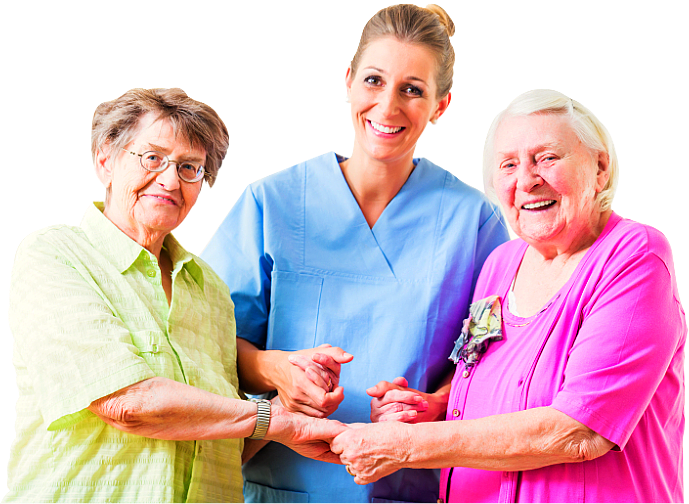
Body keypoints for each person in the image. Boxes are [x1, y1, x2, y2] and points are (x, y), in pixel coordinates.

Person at [200, 5, 509, 503]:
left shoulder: (475, 222)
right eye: (373, 80)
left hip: (405, 483)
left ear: (441, 106)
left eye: (413, 90)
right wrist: (275, 369)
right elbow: (204, 339)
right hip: (282, 482)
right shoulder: (272, 203)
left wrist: (436, 403)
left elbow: (497, 353)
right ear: (347, 81)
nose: (388, 107)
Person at [330, 88, 686, 503]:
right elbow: (473, 364)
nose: (527, 180)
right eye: (509, 164)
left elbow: (580, 431)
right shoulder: (501, 264)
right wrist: (433, 405)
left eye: (547, 158)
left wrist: (406, 446)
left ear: (600, 168)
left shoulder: (634, 256)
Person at [5, 88, 347, 504]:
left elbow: (224, 439)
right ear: (105, 159)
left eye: (190, 167)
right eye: (152, 158)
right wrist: (269, 419)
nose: (170, 180)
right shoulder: (55, 255)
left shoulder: (210, 290)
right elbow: (127, 402)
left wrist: (293, 403)